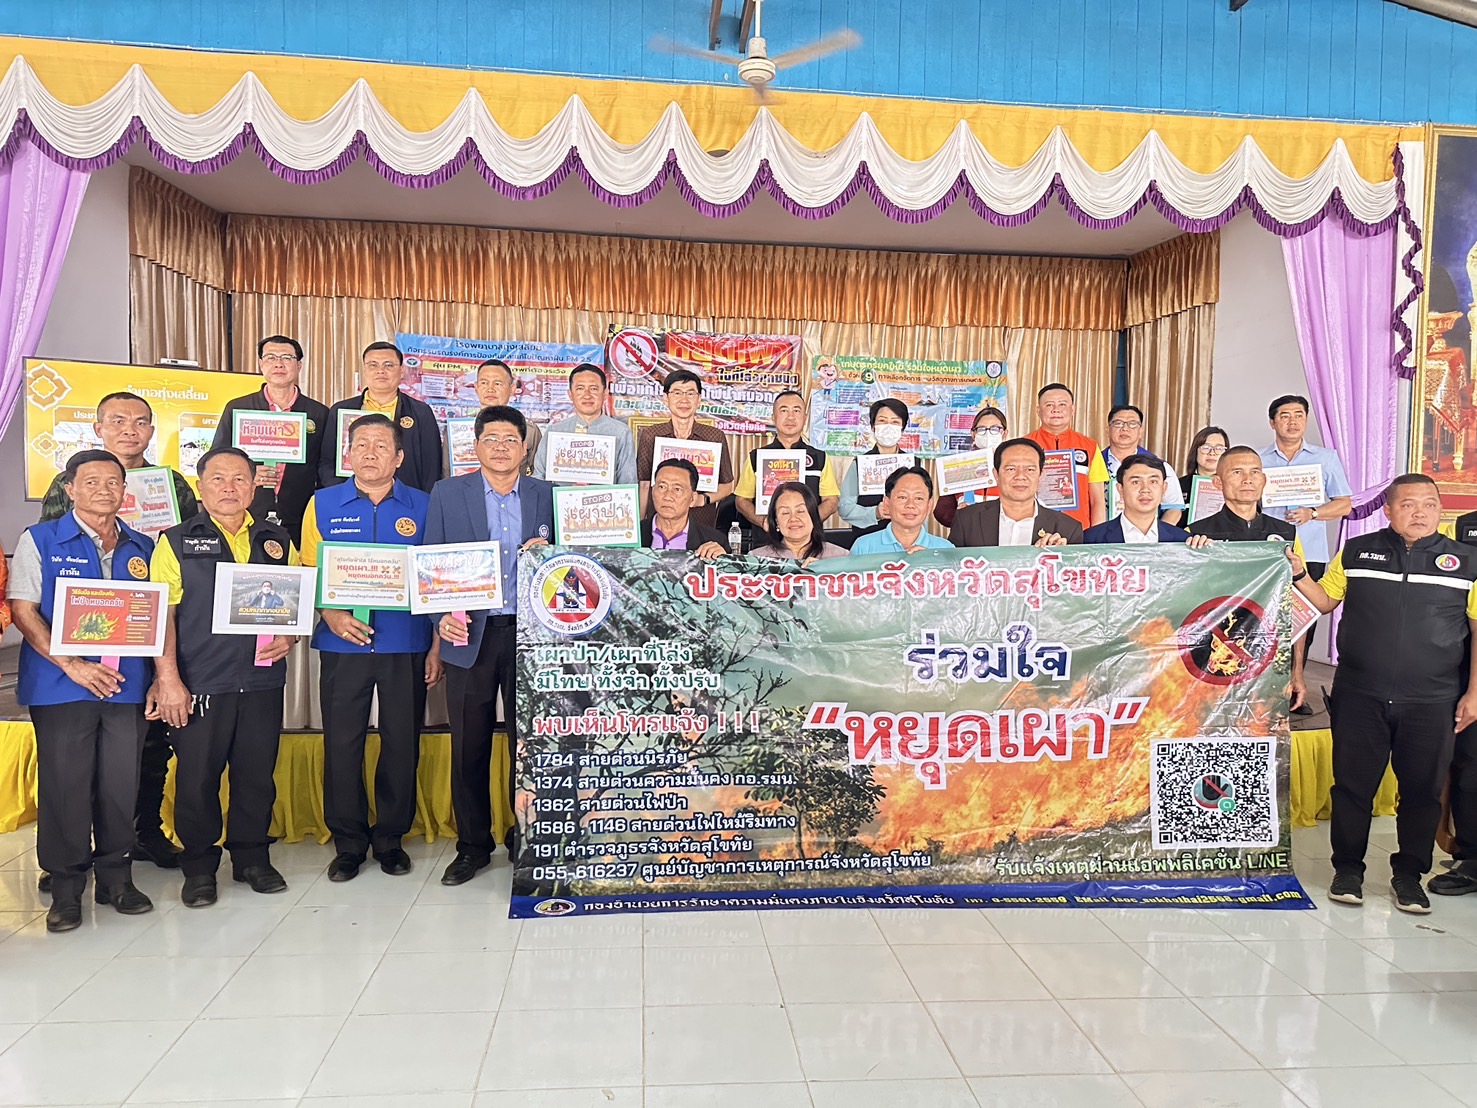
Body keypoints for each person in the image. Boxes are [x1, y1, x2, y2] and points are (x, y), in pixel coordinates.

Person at [1290, 474, 1477, 914]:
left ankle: (1409, 876)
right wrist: (1298, 573)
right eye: (1408, 504)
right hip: (1360, 693)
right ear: (1388, 510)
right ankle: (1347, 871)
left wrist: (1474, 692)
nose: (1419, 512)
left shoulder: (1467, 561)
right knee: (1352, 787)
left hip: (1432, 699)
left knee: (1422, 792)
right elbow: (1323, 602)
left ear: (1440, 510)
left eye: (1429, 504)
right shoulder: (1356, 551)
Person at [38, 391, 197, 873]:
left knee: (150, 743)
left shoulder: (173, 483)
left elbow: (191, 544)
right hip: (85, 632)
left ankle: (144, 832)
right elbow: (53, 548)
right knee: (81, 755)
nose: (131, 429)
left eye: (141, 422)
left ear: (151, 430)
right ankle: (77, 848)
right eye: (119, 421)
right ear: (99, 428)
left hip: (149, 627)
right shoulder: (66, 482)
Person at [10, 451, 157, 932]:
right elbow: (23, 610)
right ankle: (66, 888)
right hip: (61, 685)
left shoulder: (143, 546)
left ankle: (116, 878)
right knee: (66, 786)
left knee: (120, 785)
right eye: (90, 481)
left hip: (125, 685)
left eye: (113, 482)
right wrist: (70, 664)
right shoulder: (40, 539)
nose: (103, 490)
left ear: (125, 492)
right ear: (70, 489)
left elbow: (155, 615)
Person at [148, 447, 297, 908]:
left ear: (254, 488)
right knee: (197, 778)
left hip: (261, 680)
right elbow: (163, 616)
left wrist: (290, 637)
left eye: (239, 480)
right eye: (218, 479)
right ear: (201, 487)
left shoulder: (276, 540)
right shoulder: (175, 541)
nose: (229, 488)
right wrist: (168, 679)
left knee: (256, 774)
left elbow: (295, 602)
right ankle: (199, 868)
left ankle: (252, 858)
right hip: (200, 681)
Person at [300, 413, 439, 882]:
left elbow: (439, 579)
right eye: (361, 445)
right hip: (343, 643)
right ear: (348, 454)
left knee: (402, 742)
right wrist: (329, 613)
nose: (371, 453)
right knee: (342, 743)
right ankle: (349, 843)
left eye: (382, 446)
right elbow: (307, 570)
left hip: (406, 642)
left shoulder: (425, 505)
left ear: (399, 457)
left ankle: (391, 839)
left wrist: (436, 645)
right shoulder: (321, 504)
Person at [427, 404, 554, 886]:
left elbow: (575, 563)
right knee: (469, 744)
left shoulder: (548, 495)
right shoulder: (447, 493)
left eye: (510, 440)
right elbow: (430, 560)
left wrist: (554, 554)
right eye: (491, 439)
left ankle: (525, 838)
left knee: (530, 746)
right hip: (468, 636)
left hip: (532, 638)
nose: (501, 447)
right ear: (475, 445)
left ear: (525, 448)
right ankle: (472, 845)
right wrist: (440, 617)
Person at [1188, 445, 1307, 710]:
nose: (1247, 479)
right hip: (1211, 658)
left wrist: (1296, 670)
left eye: (1255, 472)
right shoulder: (1196, 534)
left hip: (1269, 659)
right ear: (1217, 482)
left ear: (1264, 480)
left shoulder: (1286, 535)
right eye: (1237, 472)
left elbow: (1298, 607)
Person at [212, 335, 329, 546]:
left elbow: (325, 466)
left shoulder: (318, 413)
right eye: (271, 357)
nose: (278, 364)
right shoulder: (238, 408)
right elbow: (216, 459)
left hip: (300, 513)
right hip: (246, 512)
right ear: (260, 364)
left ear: (299, 365)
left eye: (287, 358)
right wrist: (248, 474)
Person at [322, 342, 443, 493]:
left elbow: (432, 466)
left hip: (405, 498)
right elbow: (326, 461)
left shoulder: (421, 412)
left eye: (388, 365)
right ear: (364, 370)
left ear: (401, 370)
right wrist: (341, 492)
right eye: (373, 365)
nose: (380, 371)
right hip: (351, 497)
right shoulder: (341, 410)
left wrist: (424, 500)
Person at [1260, 395, 1352, 579]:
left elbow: (1344, 504)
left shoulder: (1326, 458)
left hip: (1311, 551)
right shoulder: (1257, 459)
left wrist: (1312, 513)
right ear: (1272, 423)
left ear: (1306, 419)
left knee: (1309, 598)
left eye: (1299, 415)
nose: (1293, 421)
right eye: (1285, 416)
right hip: (1267, 548)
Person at [635, 369, 734, 532]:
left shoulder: (714, 436)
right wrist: (640, 527)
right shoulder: (651, 435)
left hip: (701, 523)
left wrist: (703, 499)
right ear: (666, 398)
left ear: (699, 399)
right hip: (660, 524)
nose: (684, 399)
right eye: (677, 393)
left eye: (690, 393)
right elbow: (644, 484)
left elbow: (728, 486)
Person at [734, 390, 840, 541]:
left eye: (796, 411)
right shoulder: (756, 457)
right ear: (773, 418)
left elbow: (831, 501)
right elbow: (741, 501)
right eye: (784, 410)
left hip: (809, 541)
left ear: (805, 418)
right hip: (767, 540)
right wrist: (763, 521)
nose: (790, 417)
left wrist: (810, 521)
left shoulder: (819, 458)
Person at [950, 437, 1083, 547]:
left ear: (1040, 475)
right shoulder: (966, 520)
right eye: (1011, 469)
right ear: (996, 474)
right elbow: (951, 566)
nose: (1020, 476)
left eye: (1030, 470)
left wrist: (1062, 556)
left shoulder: (1068, 529)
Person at [531, 363, 637, 485]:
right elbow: (538, 478)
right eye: (580, 389)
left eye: (593, 389)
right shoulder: (554, 432)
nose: (587, 395)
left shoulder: (621, 433)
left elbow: (628, 483)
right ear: (570, 394)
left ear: (605, 394)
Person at [1024, 384, 1109, 530]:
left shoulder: (1090, 446)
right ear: (1038, 410)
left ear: (1073, 409)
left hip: (1079, 530)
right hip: (1033, 528)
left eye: (1062, 404)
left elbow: (1098, 501)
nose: (1056, 409)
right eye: (1049, 405)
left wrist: (1096, 535)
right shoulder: (1024, 446)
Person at [1083, 455, 1209, 546]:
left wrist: (1205, 551)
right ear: (1120, 489)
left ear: (1164, 489)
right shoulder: (1091, 540)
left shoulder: (1183, 541)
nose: (1145, 489)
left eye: (1153, 482)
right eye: (1136, 482)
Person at [1101, 404, 1187, 525]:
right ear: (1107, 430)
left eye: (1132, 424)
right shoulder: (1093, 463)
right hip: (1104, 533)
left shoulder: (1160, 467)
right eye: (1118, 423)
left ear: (1141, 431)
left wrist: (1156, 534)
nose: (1125, 429)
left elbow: (1173, 509)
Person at [839, 398, 911, 534]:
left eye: (895, 422)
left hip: (907, 539)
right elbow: (844, 507)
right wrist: (874, 513)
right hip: (867, 538)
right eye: (882, 421)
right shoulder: (860, 464)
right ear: (873, 427)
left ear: (902, 429)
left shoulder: (913, 465)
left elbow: (922, 507)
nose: (888, 427)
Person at [849, 466, 954, 556]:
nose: (910, 505)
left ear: (929, 506)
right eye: (902, 497)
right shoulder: (863, 548)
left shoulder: (946, 550)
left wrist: (933, 563)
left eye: (918, 498)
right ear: (887, 503)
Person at [641, 459, 731, 557]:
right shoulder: (635, 535)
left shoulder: (714, 540)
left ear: (693, 499)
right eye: (662, 487)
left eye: (677, 489)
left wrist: (723, 560)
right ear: (652, 492)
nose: (667, 496)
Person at [934, 406, 1006, 528]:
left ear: (1004, 433)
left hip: (1004, 533)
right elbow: (941, 512)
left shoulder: (1012, 466)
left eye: (995, 428)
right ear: (973, 434)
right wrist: (959, 516)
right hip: (967, 533)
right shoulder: (959, 466)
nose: (988, 434)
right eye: (982, 429)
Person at [749, 481, 848, 564]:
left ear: (813, 516)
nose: (793, 518)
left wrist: (822, 570)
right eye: (785, 512)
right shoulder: (756, 560)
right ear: (776, 521)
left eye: (800, 511)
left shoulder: (841, 557)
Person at [474, 358, 542, 476]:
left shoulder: (529, 430)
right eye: (484, 383)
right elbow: (446, 472)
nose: (490, 389)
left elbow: (538, 473)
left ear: (512, 389)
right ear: (476, 388)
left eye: (497, 383)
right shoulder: (457, 429)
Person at [1181, 425, 1230, 507]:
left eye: (1219, 448)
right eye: (1206, 447)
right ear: (1195, 451)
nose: (1212, 453)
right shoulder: (1178, 485)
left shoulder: (1232, 485)